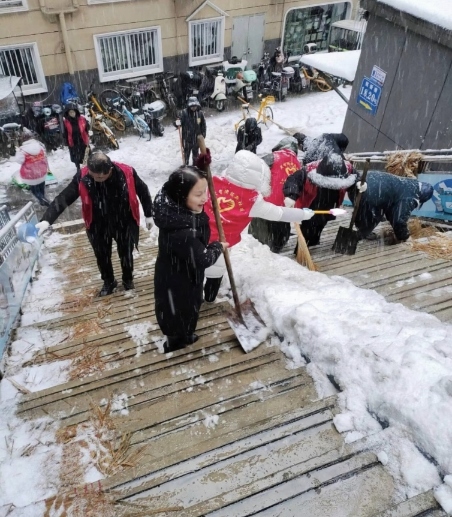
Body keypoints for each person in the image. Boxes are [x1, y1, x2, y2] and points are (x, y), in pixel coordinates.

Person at [200, 149, 315, 302]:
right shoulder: (252, 201)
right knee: (215, 269)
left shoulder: (212, 182)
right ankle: (209, 297)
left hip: (197, 234)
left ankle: (192, 291)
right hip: (220, 243)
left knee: (193, 267)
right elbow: (279, 213)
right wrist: (302, 214)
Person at [35, 151, 153, 296]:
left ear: (110, 169)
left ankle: (128, 279)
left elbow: (143, 191)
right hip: (97, 223)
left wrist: (149, 214)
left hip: (123, 220)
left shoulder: (127, 172)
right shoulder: (82, 175)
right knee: (102, 255)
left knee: (126, 253)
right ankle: (109, 282)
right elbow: (64, 197)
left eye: (102, 177)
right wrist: (47, 219)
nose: (98, 180)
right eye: (95, 176)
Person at [153, 166, 226, 353]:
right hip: (179, 278)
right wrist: (217, 246)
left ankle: (182, 334)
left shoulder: (176, 210)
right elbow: (203, 259)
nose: (205, 199)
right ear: (181, 195)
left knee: (182, 307)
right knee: (179, 310)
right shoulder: (182, 231)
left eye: (205, 192)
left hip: (179, 271)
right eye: (198, 194)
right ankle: (176, 342)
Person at [283, 154, 358, 247]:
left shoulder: (348, 169)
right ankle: (303, 245)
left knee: (322, 221)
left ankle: (313, 241)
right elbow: (293, 181)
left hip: (332, 199)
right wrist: (291, 195)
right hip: (314, 199)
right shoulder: (308, 170)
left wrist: (359, 185)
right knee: (308, 224)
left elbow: (356, 179)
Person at [348, 171, 434, 243]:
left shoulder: (409, 183)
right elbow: (399, 220)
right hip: (371, 193)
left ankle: (361, 231)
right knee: (374, 213)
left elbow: (392, 209)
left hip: (359, 183)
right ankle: (360, 234)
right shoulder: (412, 197)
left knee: (362, 210)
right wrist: (404, 236)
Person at [248, 137, 301, 253]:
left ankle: (260, 242)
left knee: (264, 220)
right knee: (282, 222)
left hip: (271, 197)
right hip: (288, 198)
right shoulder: (297, 162)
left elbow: (257, 167)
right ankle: (278, 244)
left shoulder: (275, 156)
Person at [15, 128, 51, 207]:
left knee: (35, 190)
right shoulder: (40, 146)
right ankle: (43, 199)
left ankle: (42, 199)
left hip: (30, 174)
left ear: (23, 139)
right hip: (41, 172)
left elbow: (19, 161)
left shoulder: (22, 150)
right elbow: (45, 156)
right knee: (41, 187)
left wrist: (17, 151)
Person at [176, 97, 206, 165]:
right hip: (187, 139)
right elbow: (179, 123)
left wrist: (203, 135)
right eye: (192, 106)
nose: (194, 108)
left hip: (196, 139)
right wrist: (177, 123)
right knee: (186, 155)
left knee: (195, 156)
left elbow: (203, 125)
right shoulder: (184, 113)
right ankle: (186, 166)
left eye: (195, 106)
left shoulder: (199, 113)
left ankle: (194, 167)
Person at [63, 102, 90, 173]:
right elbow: (65, 133)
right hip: (73, 141)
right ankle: (78, 168)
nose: (72, 113)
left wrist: (89, 132)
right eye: (70, 112)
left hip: (82, 139)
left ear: (76, 112)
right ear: (68, 113)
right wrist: (66, 142)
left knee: (85, 154)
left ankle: (87, 167)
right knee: (76, 156)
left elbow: (87, 128)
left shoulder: (82, 119)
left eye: (73, 112)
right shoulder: (66, 122)